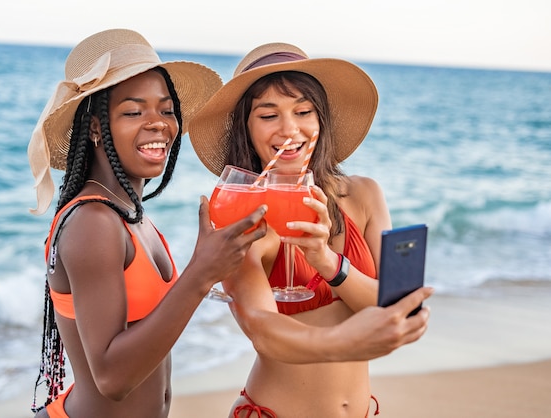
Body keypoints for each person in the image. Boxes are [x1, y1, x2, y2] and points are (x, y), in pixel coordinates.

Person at [27, 29, 267, 418]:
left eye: (167, 109)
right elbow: (112, 379)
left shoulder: (130, 214)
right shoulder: (93, 222)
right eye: (134, 111)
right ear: (95, 128)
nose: (159, 123)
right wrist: (202, 272)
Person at [189, 43, 433, 417]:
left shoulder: (364, 195)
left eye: (303, 111)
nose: (290, 128)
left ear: (321, 120)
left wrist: (327, 262)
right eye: (268, 115)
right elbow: (262, 330)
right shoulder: (242, 216)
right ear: (247, 128)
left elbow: (392, 306)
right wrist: (343, 341)